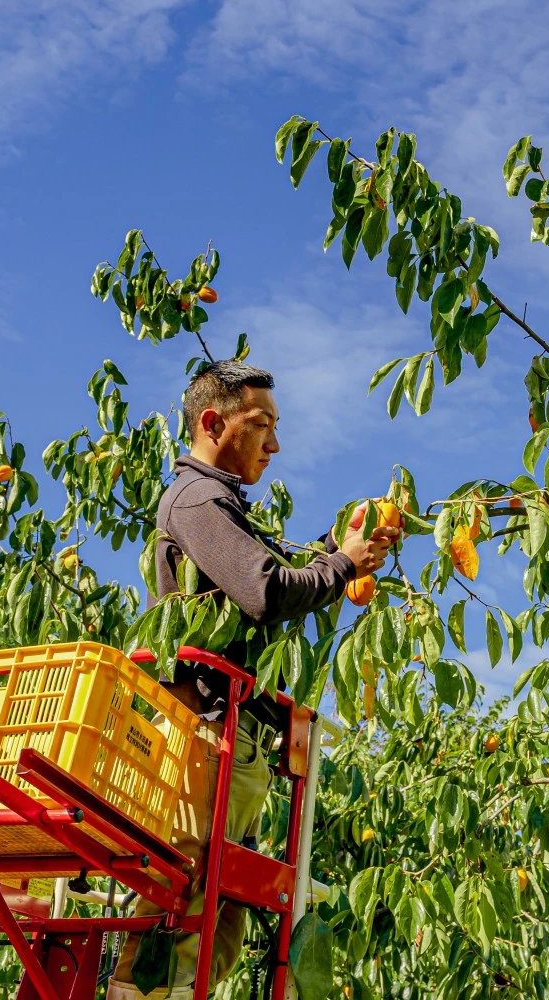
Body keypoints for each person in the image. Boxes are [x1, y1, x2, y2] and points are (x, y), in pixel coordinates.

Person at [108, 361, 398, 999]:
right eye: (261, 425)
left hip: (231, 734)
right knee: (187, 884)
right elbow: (264, 591)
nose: (274, 445)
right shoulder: (197, 499)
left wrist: (334, 550)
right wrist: (342, 565)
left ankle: (172, 990)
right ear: (213, 423)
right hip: (207, 730)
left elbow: (267, 568)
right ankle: (140, 991)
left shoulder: (219, 505)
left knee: (225, 910)